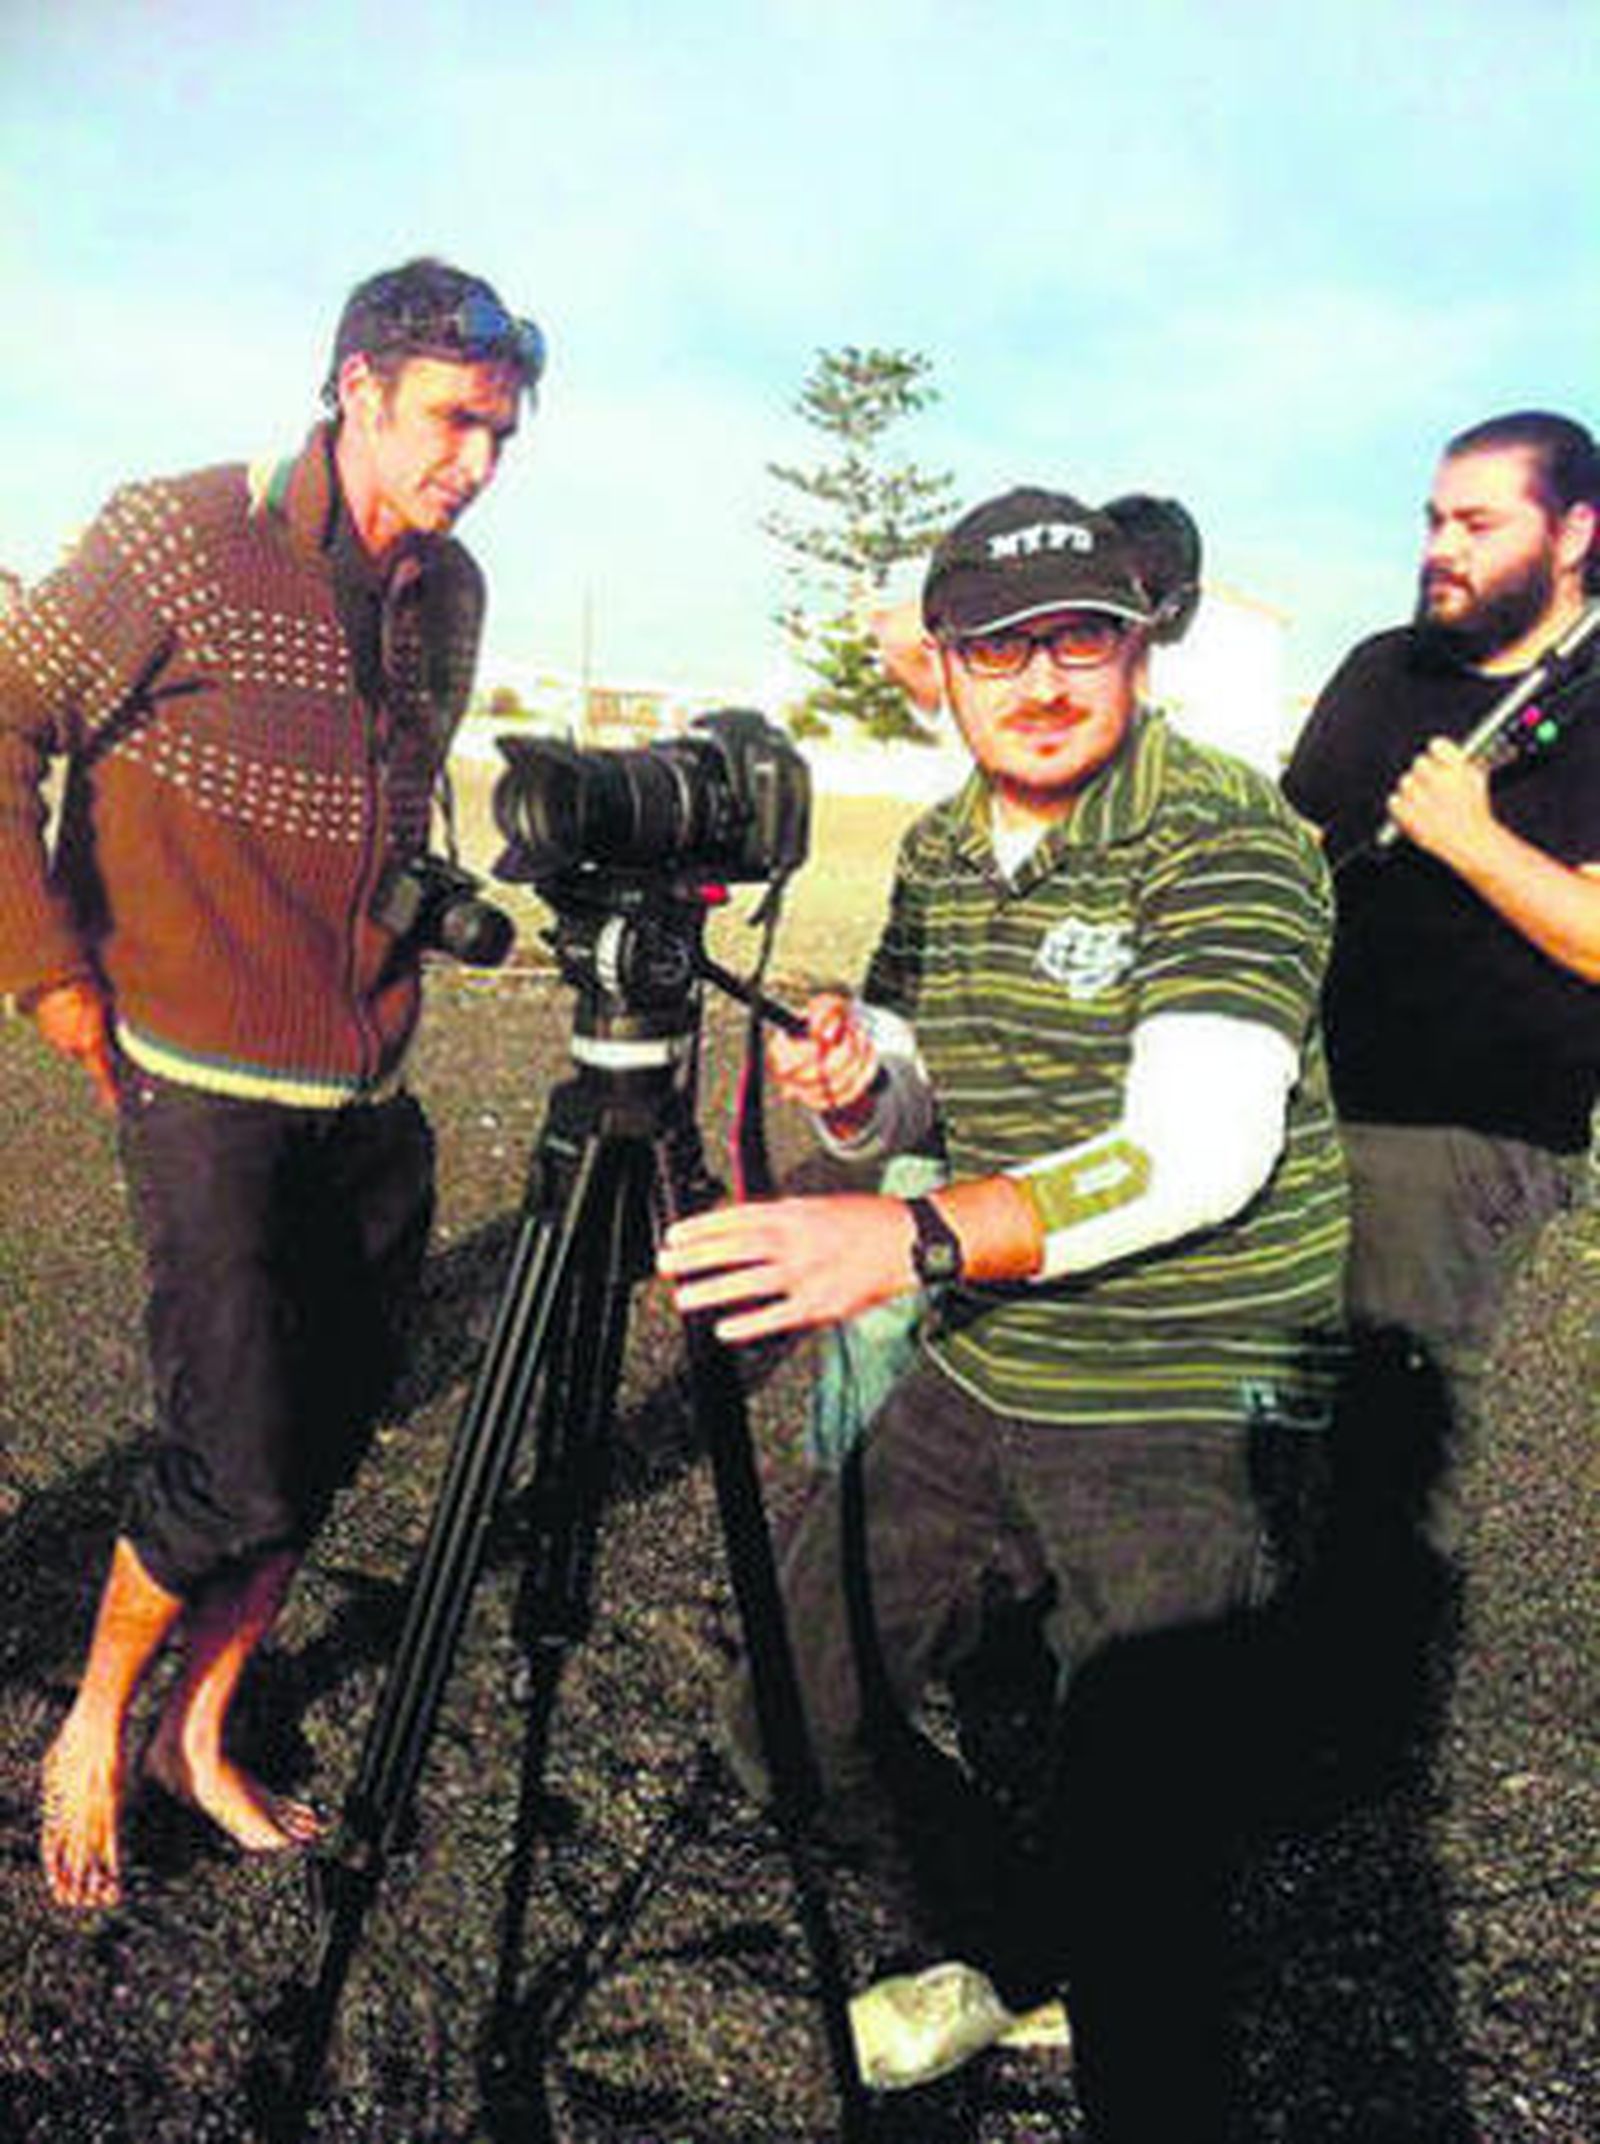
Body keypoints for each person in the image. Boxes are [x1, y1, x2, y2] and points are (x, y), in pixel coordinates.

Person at [660, 485, 1348, 2133]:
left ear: (1137, 645)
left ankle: (1115, 1991)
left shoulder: (1230, 832)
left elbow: (1200, 1145)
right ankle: (994, 1940)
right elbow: (911, 1099)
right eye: (997, 647)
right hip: (994, 1349)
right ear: (945, 667)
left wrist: (903, 1244)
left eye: (1080, 640)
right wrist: (853, 1081)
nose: (1040, 679)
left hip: (1187, 1371)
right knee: (787, 1710)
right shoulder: (945, 839)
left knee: (1149, 1875)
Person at [0, 256, 544, 1910]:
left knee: (325, 1431)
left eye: (504, 434)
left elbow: (384, 812)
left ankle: (201, 1723)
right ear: (357, 386)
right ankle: (94, 1721)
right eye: (454, 420)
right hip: (199, 1073)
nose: (475, 462)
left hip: (368, 1084)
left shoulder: (449, 594)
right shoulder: (178, 533)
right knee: (229, 1448)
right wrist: (48, 972)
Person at [1283, 411, 1600, 1482]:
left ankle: (1370, 1642)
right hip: (1300, 1089)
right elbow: (1296, 848)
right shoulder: (1381, 667)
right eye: (1430, 520)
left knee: (1381, 1426)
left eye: (1474, 521)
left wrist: (1472, 839)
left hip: (1462, 1128)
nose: (1439, 548)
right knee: (1253, 1395)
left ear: (1570, 534)